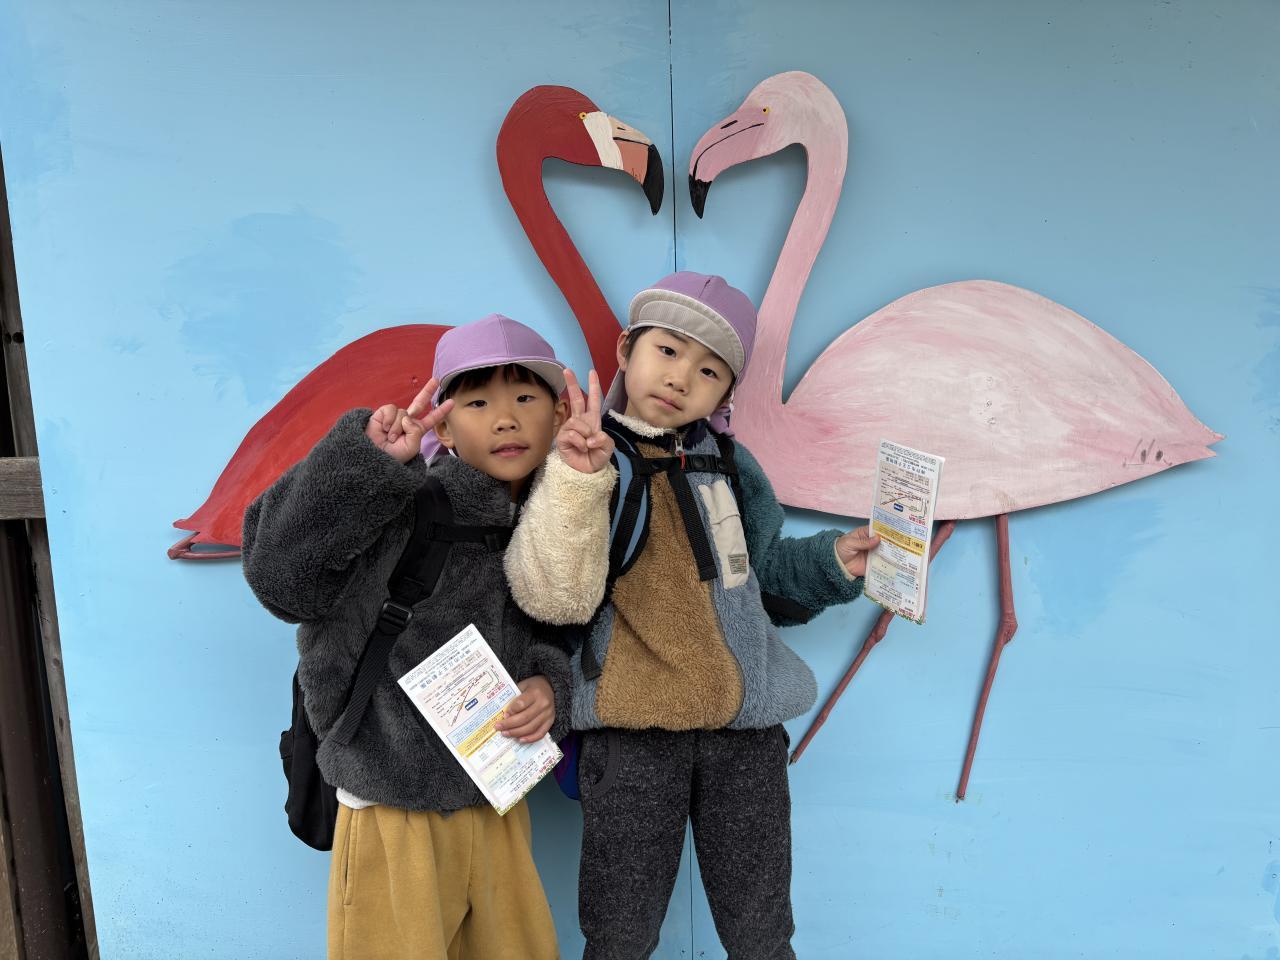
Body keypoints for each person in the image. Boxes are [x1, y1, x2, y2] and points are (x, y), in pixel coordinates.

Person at [506, 272, 880, 960]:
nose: (681, 378)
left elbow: (764, 575)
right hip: (634, 734)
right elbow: (553, 594)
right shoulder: (584, 455)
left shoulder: (732, 466)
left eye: (709, 370)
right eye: (668, 351)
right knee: (620, 935)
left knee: (763, 935)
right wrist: (578, 481)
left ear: (727, 394)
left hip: (746, 736)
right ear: (627, 349)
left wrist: (835, 562)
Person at [243, 313, 573, 960]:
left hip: (496, 802)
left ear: (559, 415)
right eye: (478, 402)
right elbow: (282, 580)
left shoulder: (550, 517)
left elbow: (551, 628)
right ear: (443, 427)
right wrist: (366, 465)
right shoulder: (400, 501)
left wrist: (546, 685)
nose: (506, 419)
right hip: (390, 806)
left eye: (525, 397)